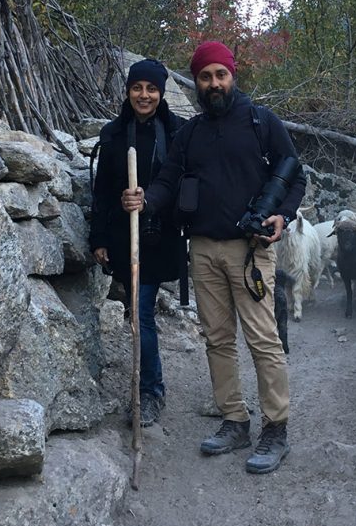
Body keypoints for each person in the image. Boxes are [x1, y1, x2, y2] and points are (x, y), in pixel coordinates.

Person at [122, 41, 306, 474]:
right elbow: (168, 181)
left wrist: (283, 214)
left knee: (262, 339)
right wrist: (145, 200)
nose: (213, 83)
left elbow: (292, 170)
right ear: (198, 82)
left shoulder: (262, 122)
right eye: (205, 77)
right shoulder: (190, 134)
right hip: (202, 249)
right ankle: (234, 419)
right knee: (217, 338)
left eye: (220, 74)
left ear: (232, 75)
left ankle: (275, 428)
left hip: (251, 250)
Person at [90, 58, 185, 427]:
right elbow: (100, 191)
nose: (143, 95)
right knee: (137, 313)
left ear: (161, 93)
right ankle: (147, 386)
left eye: (151, 89)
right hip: (122, 237)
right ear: (128, 91)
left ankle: (150, 391)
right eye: (137, 88)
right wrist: (98, 236)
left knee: (142, 312)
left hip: (160, 237)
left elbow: (182, 183)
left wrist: (153, 201)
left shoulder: (177, 135)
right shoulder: (113, 134)